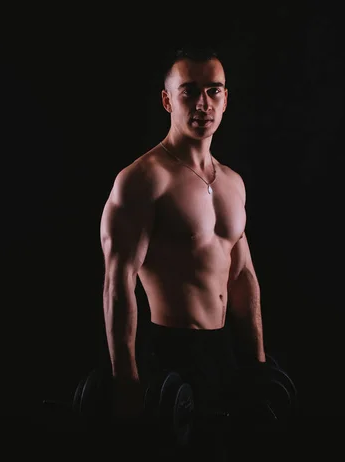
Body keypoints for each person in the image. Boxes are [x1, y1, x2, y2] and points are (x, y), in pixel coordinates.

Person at [99, 45, 267, 451]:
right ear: (167, 99)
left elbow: (243, 276)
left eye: (215, 91)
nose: (203, 104)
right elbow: (117, 283)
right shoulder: (142, 180)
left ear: (226, 99)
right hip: (170, 352)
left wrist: (258, 365)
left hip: (224, 351)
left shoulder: (233, 183)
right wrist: (126, 380)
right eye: (189, 91)